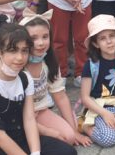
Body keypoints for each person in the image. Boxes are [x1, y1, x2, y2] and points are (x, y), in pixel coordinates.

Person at [0, 24, 76, 155]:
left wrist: (35, 152)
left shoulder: (25, 78)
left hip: (19, 136)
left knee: (67, 151)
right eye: (13, 51)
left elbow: (29, 119)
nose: (20, 57)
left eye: (24, 50)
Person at [20, 11, 91, 147]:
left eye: (45, 37)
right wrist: (47, 131)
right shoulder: (17, 65)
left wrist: (74, 131)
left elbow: (61, 97)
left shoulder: (50, 63)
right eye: (33, 38)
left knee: (69, 137)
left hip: (40, 111)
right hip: (18, 116)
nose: (40, 43)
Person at [79, 15, 115, 148]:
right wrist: (105, 114)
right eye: (102, 38)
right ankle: (86, 127)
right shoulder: (91, 65)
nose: (109, 41)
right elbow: (85, 97)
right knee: (109, 139)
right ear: (95, 43)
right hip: (99, 107)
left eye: (112, 36)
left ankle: (114, 124)